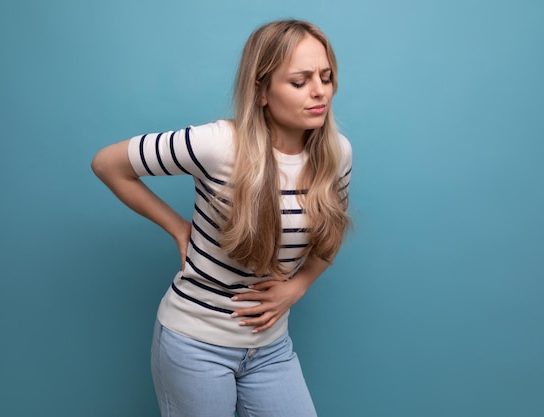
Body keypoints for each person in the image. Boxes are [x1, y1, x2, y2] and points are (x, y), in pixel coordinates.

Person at [91, 19, 352, 417]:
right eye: (299, 82)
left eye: (326, 77)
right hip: (194, 347)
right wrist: (177, 227)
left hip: (271, 350)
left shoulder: (337, 154)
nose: (319, 91)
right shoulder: (217, 144)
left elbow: (330, 236)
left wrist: (296, 287)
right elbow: (107, 164)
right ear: (261, 91)